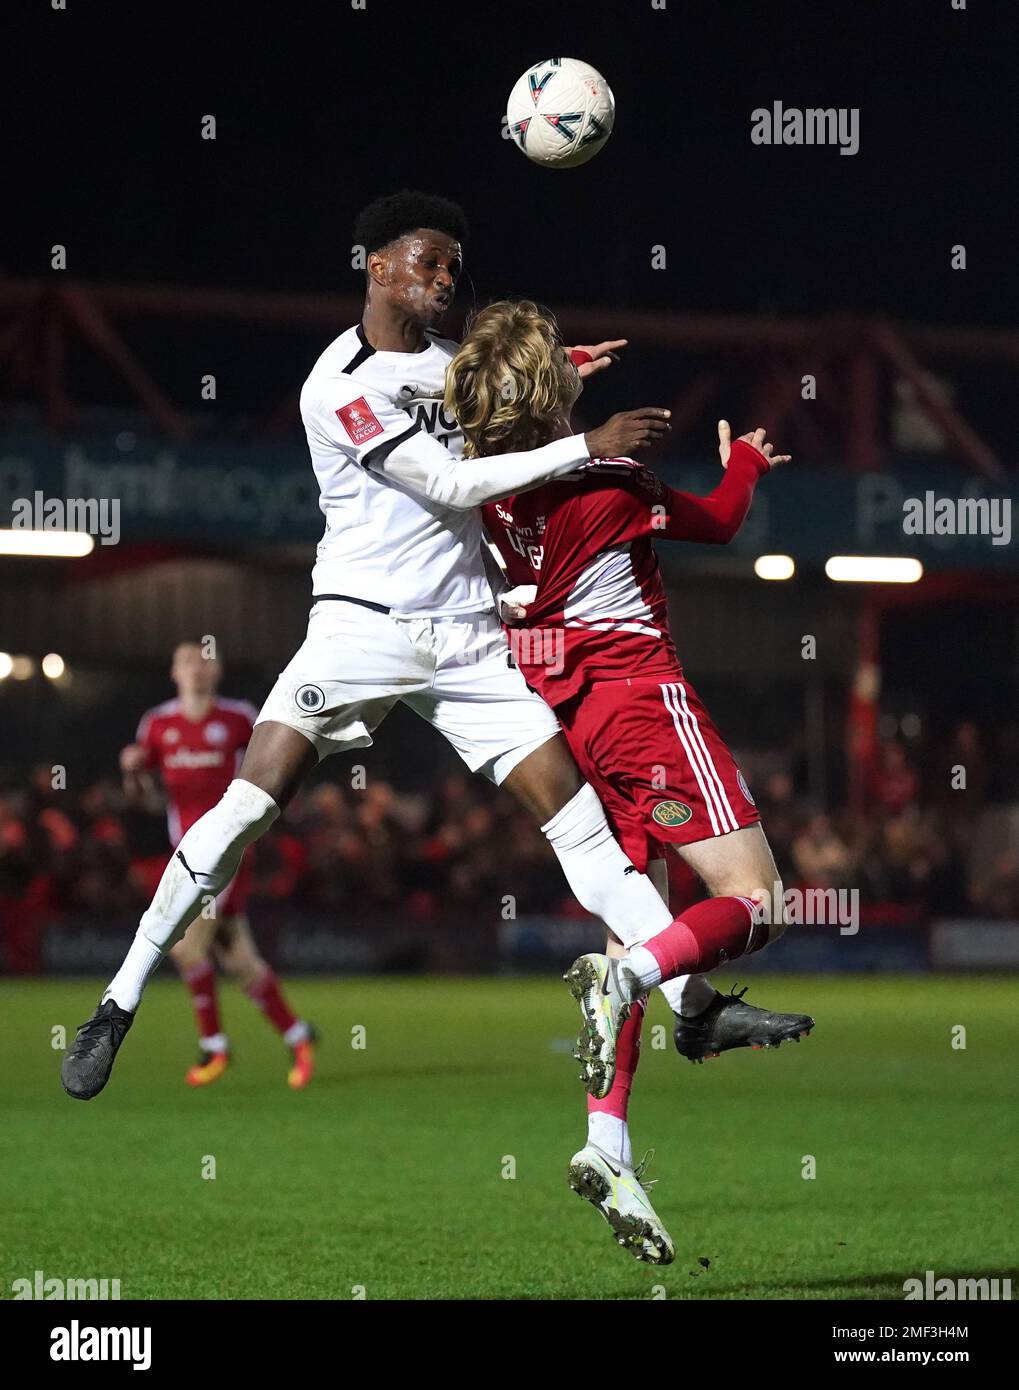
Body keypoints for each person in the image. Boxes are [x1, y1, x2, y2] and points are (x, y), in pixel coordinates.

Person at [61, 189, 723, 1109]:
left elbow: (480, 407)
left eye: (454, 265)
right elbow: (450, 480)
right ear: (376, 267)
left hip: (465, 639)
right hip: (358, 631)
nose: (446, 279)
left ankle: (693, 1001)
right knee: (245, 812)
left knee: (575, 822)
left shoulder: (450, 362)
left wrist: (560, 369)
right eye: (428, 262)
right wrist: (583, 444)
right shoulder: (336, 387)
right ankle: (118, 1000)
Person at [445, 299, 814, 1262]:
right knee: (758, 903)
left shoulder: (477, 494)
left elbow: (466, 414)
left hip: (564, 724)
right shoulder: (611, 477)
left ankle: (605, 1141)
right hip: (640, 703)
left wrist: (549, 372)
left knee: (637, 913)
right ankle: (643, 983)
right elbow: (722, 522)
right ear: (552, 401)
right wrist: (745, 464)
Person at [122, 642, 315, 1088]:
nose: (197, 668)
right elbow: (148, 801)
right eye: (188, 661)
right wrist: (132, 773)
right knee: (239, 959)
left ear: (219, 670)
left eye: (205, 660)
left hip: (227, 851)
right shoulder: (157, 725)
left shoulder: (239, 718)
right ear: (174, 671)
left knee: (186, 947)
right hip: (183, 855)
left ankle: (214, 1047)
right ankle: (298, 1035)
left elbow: (277, 763)